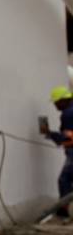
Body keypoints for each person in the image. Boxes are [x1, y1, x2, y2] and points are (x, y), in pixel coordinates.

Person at [47, 86, 73, 217]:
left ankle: (64, 210)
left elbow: (68, 138)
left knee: (64, 179)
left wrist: (50, 134)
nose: (55, 105)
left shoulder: (68, 114)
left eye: (56, 102)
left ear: (63, 100)